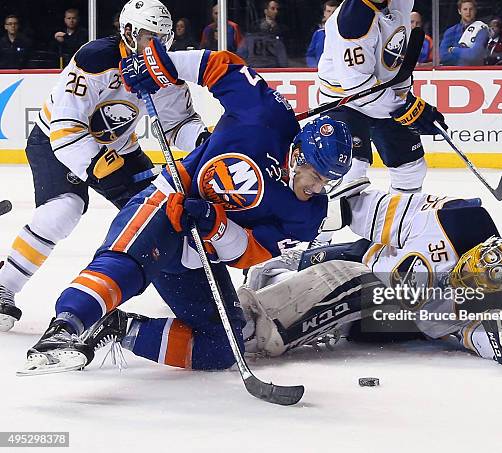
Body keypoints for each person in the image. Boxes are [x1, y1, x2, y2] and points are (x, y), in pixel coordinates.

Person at [19, 37, 354, 374]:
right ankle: (63, 330)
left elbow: (252, 252)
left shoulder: (308, 214)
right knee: (126, 266)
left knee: (222, 346)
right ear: (297, 153)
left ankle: (120, 328)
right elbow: (221, 66)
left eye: (327, 181)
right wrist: (162, 66)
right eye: (314, 173)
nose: (316, 186)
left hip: (197, 253)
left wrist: (215, 226)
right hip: (167, 202)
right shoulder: (265, 114)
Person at [0, 0, 208, 333]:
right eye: (149, 37)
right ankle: (4, 285)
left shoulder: (163, 72)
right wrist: (95, 165)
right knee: (64, 210)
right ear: (128, 32)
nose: (157, 46)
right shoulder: (95, 59)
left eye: (163, 38)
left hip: (120, 150)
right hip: (57, 141)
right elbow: (66, 126)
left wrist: (204, 141)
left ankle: (195, 303)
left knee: (160, 218)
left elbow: (178, 123)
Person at [237, 188, 502, 369]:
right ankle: (275, 285)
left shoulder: (486, 304)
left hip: (386, 320)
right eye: (469, 267)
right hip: (364, 255)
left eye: (478, 281)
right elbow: (365, 208)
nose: (465, 279)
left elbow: (476, 336)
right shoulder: (453, 220)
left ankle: (256, 329)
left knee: (354, 287)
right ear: (474, 249)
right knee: (291, 269)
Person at [312, 0, 448, 248]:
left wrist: (407, 101)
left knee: (411, 167)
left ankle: (397, 231)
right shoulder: (353, 22)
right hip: (345, 99)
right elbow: (358, 88)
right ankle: (315, 244)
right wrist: (406, 110)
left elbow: (397, 57)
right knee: (348, 172)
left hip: (385, 92)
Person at [439, 0, 488, 66]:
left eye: (471, 9)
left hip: (475, 72)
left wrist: (453, 49)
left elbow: (474, 55)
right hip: (453, 72)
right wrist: (466, 54)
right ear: (459, 11)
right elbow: (443, 57)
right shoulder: (450, 31)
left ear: (475, 11)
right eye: (465, 9)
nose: (468, 12)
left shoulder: (481, 29)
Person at [305, 0, 340, 68]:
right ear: (324, 13)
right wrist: (315, 67)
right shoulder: (318, 33)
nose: (331, 14)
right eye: (328, 11)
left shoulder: (344, 33)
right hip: (321, 73)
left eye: (334, 12)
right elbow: (310, 55)